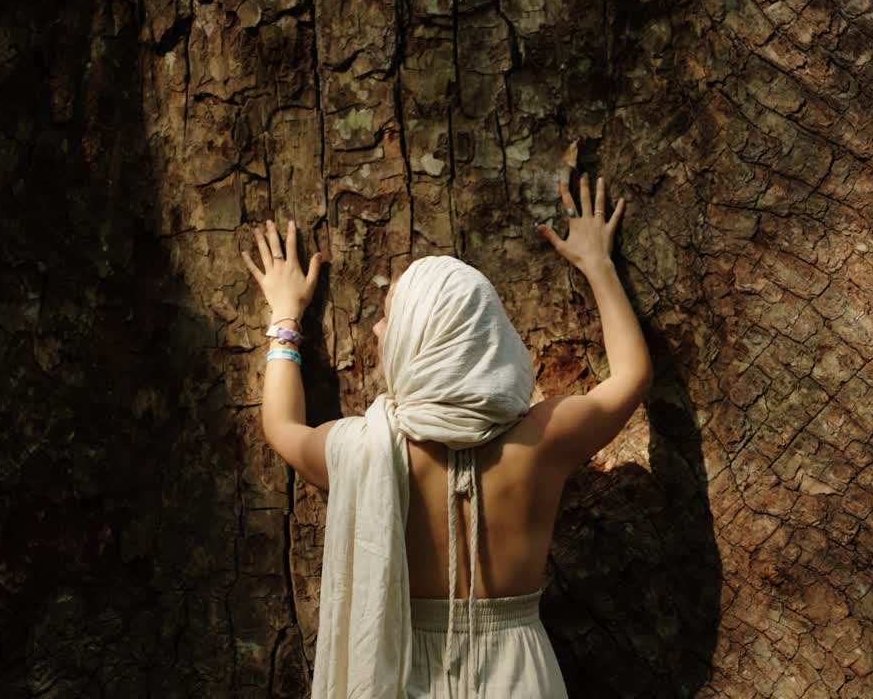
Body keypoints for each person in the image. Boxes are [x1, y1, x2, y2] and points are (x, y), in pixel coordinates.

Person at [242, 170, 653, 698]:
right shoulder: (543, 439)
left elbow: (282, 427)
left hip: (404, 671)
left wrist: (284, 316)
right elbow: (632, 376)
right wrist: (597, 264)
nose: (376, 330)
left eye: (390, 319)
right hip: (520, 677)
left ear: (422, 344)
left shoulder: (366, 449)